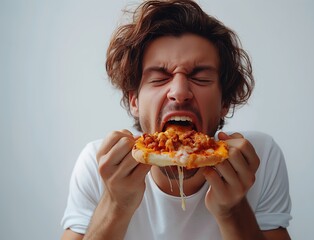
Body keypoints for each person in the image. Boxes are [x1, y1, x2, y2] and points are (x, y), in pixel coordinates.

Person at [61, 0, 292, 239]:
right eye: (160, 78)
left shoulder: (259, 159)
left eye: (201, 78)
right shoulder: (99, 165)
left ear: (225, 102)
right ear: (134, 101)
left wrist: (233, 211)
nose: (179, 91)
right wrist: (115, 205)